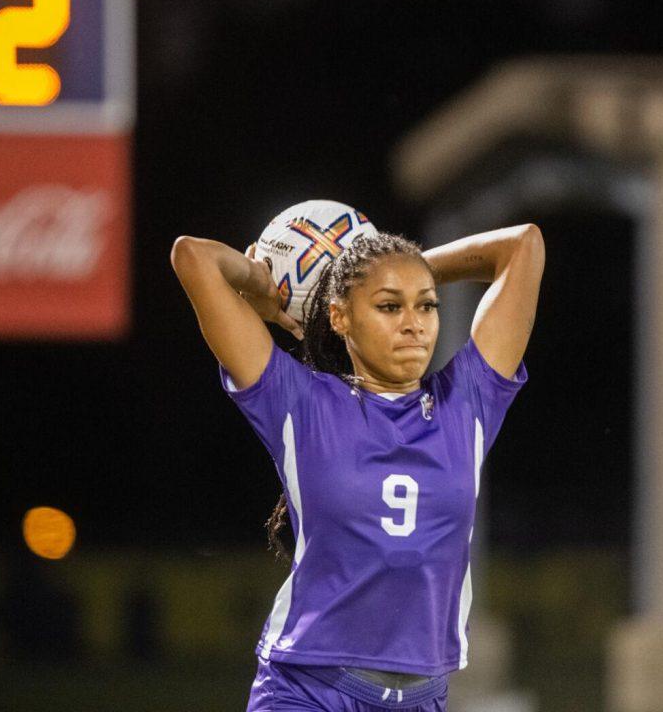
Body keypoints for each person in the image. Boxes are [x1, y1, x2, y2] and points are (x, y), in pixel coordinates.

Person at [170, 221, 544, 712]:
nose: (414, 323)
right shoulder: (300, 402)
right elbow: (193, 255)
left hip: (421, 698)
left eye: (426, 304)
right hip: (307, 690)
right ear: (340, 317)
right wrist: (265, 285)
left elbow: (524, 245)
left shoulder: (469, 402)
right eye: (389, 306)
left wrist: (397, 269)